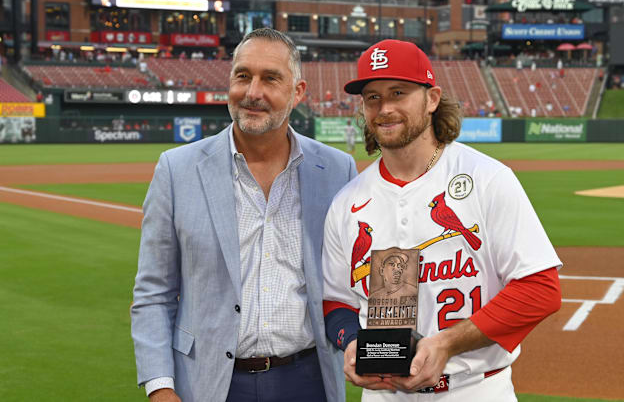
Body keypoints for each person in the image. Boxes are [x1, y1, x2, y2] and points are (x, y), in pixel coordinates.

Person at [322, 39, 562, 401]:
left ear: (432, 99)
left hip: (476, 390)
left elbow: (540, 289)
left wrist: (447, 344)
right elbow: (336, 302)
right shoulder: (347, 202)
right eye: (372, 97)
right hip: (385, 395)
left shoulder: (486, 178)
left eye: (398, 92)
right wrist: (352, 342)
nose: (384, 108)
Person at [131, 28, 355, 402]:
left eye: (270, 78)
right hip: (209, 383)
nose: (253, 92)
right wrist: (160, 387)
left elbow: (349, 284)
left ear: (298, 92)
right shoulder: (177, 169)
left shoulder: (336, 170)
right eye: (243, 76)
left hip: (309, 380)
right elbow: (153, 292)